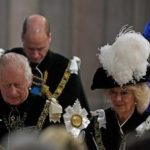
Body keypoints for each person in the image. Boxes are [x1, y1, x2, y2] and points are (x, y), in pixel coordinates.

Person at [6, 14, 90, 115]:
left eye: (40, 49)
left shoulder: (66, 69)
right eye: (30, 49)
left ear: (49, 38)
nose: (35, 55)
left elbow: (76, 114)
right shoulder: (8, 61)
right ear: (22, 37)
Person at [89, 26, 150, 150]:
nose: (117, 99)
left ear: (137, 95)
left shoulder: (147, 125)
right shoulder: (97, 123)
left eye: (124, 93)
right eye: (113, 92)